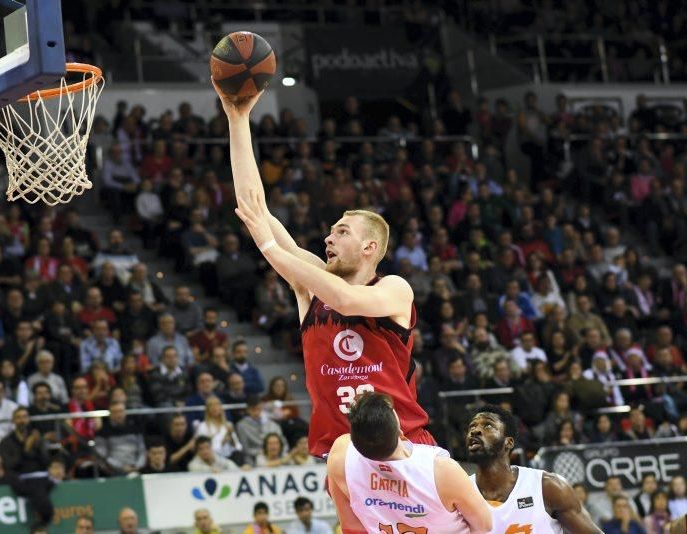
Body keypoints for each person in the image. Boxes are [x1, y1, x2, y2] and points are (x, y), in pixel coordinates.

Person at [217, 82, 434, 458]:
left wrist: (270, 248)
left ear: (370, 248)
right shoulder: (313, 288)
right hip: (343, 455)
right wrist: (237, 119)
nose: (328, 238)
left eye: (342, 231)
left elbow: (347, 300)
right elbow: (256, 208)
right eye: (331, 231)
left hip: (406, 447)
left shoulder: (395, 289)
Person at [326, 392, 492, 533]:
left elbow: (351, 526)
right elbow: (484, 526)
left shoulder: (340, 454)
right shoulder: (441, 470)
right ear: (399, 429)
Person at [467, 405, 602, 533]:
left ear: (509, 442)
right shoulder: (459, 493)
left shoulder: (547, 487)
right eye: (472, 426)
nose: (475, 431)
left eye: (488, 425)